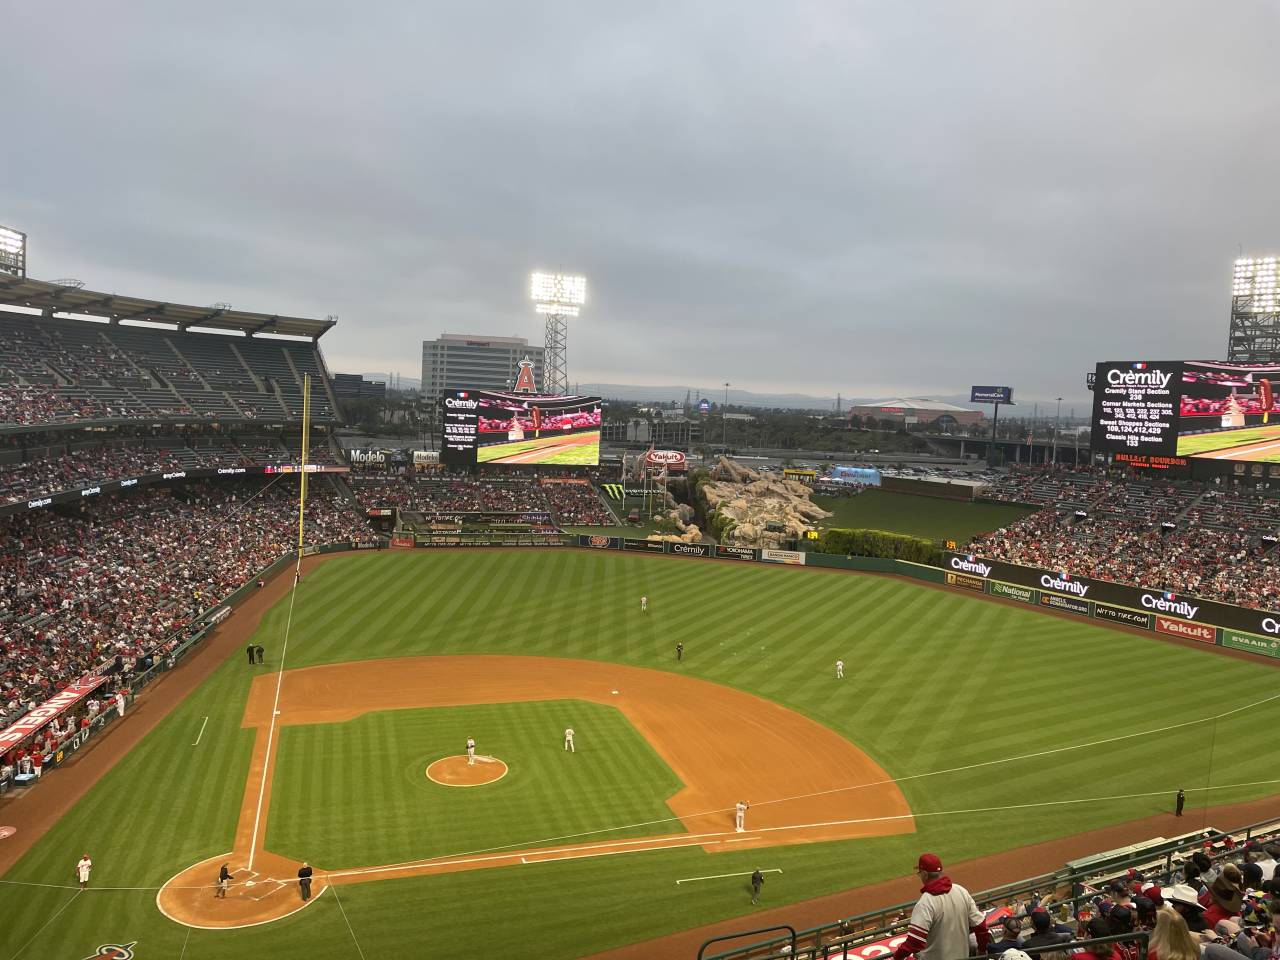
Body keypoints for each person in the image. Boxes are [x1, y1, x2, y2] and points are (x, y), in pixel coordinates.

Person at [890, 853, 990, 960]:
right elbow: (981, 927)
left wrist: (896, 957)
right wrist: (982, 950)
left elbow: (915, 942)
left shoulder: (926, 903)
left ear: (925, 874)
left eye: (919, 873)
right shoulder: (961, 891)